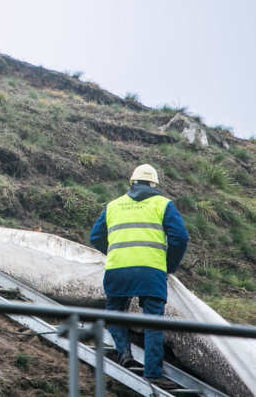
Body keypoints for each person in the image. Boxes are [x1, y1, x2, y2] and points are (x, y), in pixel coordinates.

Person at [89, 164, 189, 391]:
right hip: (151, 271)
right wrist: (168, 265)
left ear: (131, 182)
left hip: (118, 269)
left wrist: (117, 252)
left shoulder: (113, 205)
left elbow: (95, 237)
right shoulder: (163, 204)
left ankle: (124, 352)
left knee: (114, 313)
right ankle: (153, 374)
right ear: (155, 185)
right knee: (153, 321)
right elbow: (180, 238)